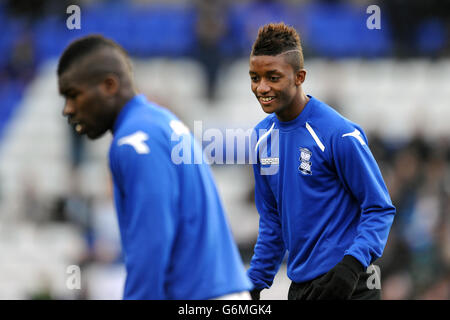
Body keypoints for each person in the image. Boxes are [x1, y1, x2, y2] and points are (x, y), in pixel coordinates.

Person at [57, 35, 252, 300]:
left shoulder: (134, 141)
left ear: (109, 86)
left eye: (74, 95)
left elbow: (153, 242)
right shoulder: (160, 122)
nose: (68, 109)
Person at [247, 23, 396, 300]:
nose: (262, 87)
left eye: (273, 77)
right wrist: (254, 283)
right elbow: (272, 221)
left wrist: (351, 265)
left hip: (353, 283)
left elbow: (379, 208)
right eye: (255, 77)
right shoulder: (261, 139)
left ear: (299, 76)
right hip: (303, 287)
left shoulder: (337, 133)